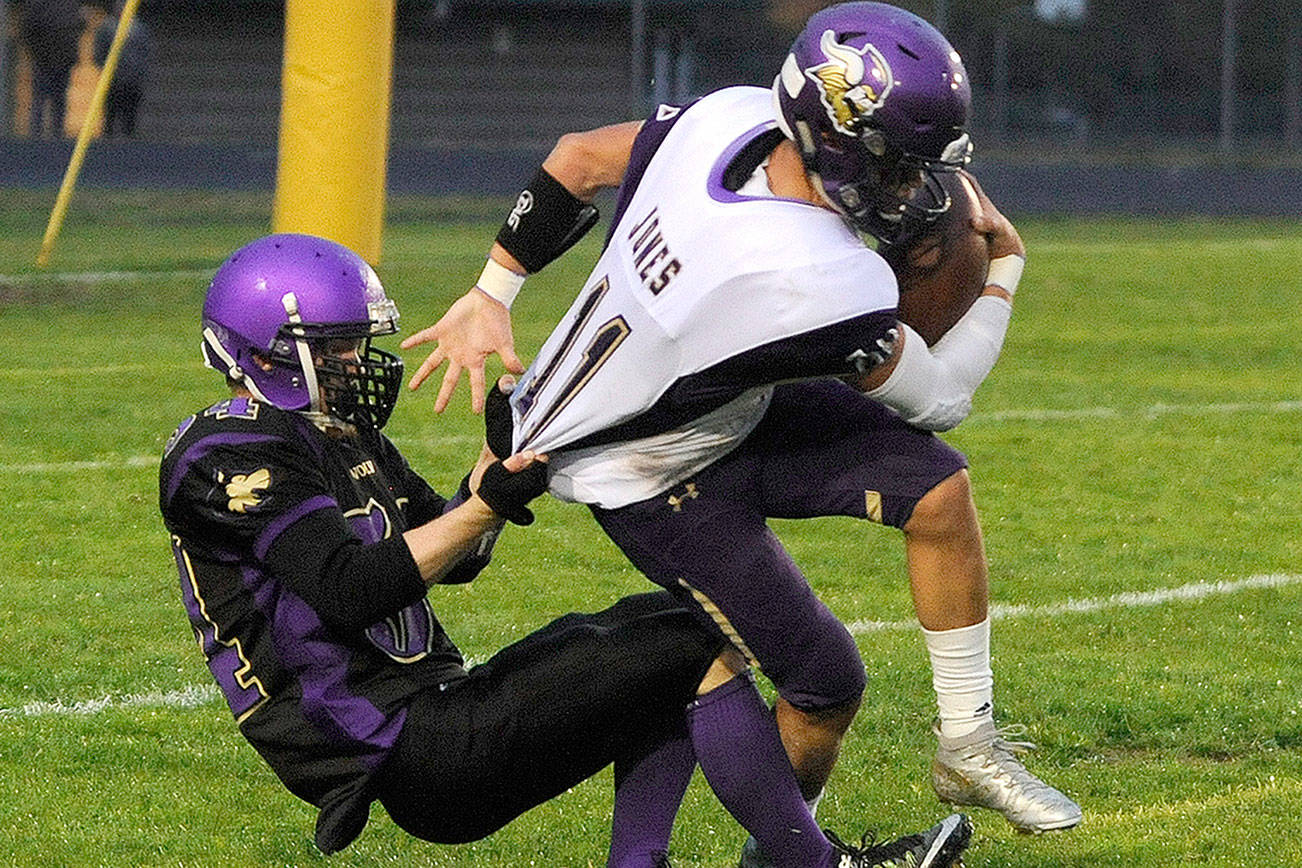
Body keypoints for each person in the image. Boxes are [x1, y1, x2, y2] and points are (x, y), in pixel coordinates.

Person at [400, 1, 1082, 855]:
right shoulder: (814, 278)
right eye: (903, 167)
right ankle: (787, 855)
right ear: (844, 144)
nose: (916, 191)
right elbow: (941, 395)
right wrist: (1004, 271)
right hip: (643, 470)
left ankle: (967, 746)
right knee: (824, 680)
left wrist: (491, 292)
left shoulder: (734, 118)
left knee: (937, 491)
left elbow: (578, 159)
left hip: (703, 404)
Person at [158, 232, 972, 868]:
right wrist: (481, 510)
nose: (354, 362)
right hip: (402, 747)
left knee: (672, 630)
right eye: (335, 346)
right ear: (266, 350)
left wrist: (496, 464)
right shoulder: (224, 453)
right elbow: (350, 589)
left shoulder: (338, 434)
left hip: (434, 714)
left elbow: (455, 551)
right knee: (689, 644)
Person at [19, 0, 82, 139]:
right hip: (44, 59)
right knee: (41, 98)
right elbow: (28, 29)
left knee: (58, 99)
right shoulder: (38, 5)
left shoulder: (69, 5)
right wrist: (36, 53)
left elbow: (76, 28)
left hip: (62, 59)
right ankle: (36, 135)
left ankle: (56, 133)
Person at [92, 0, 153, 138]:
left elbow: (146, 53)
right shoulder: (107, 28)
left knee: (130, 118)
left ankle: (128, 142)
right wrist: (106, 70)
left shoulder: (139, 29)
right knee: (110, 116)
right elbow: (99, 53)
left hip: (132, 80)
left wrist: (139, 72)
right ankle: (108, 143)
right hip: (113, 81)